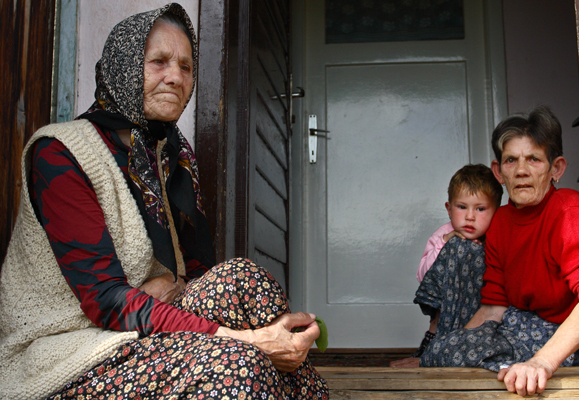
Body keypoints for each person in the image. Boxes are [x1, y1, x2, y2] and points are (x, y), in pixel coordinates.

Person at [0, 4, 328, 400]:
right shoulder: (60, 152)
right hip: (68, 351)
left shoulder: (172, 154)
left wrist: (175, 283)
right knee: (237, 364)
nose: (175, 77)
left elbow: (196, 271)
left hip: (134, 329)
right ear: (123, 66)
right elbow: (105, 300)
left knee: (243, 280)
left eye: (186, 67)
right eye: (158, 61)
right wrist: (249, 341)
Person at [418, 105, 579, 397]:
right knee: (441, 352)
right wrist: (440, 352)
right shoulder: (501, 220)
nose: (522, 171)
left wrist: (541, 362)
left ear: (556, 168)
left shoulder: (569, 210)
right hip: (514, 325)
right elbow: (493, 306)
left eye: (534, 160)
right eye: (511, 160)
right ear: (498, 171)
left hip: (559, 337)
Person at [391, 164, 502, 367]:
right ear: (449, 209)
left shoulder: (496, 236)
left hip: (480, 309)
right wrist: (445, 243)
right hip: (446, 309)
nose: (470, 216)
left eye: (480, 209)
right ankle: (434, 342)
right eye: (462, 207)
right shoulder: (444, 234)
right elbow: (424, 277)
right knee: (458, 247)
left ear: (496, 211)